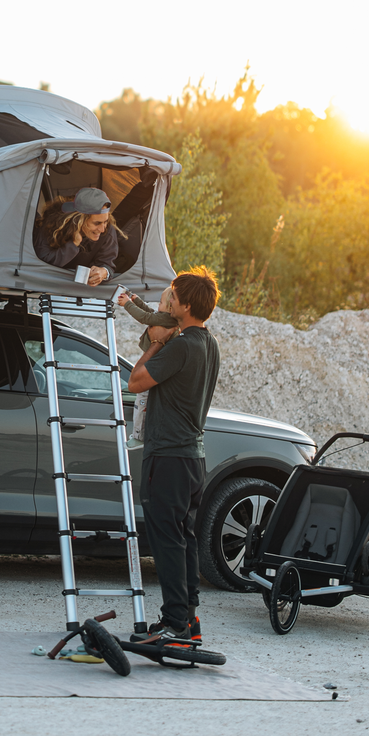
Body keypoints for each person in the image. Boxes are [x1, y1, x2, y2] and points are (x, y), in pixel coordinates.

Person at [126, 266, 221, 645]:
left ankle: (174, 623)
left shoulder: (181, 346)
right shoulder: (209, 344)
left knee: (167, 543)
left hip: (167, 456)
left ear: (185, 306)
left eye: (174, 298)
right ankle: (188, 620)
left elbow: (135, 381)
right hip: (193, 459)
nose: (169, 303)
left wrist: (155, 342)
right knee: (184, 540)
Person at [115, 286, 178, 449]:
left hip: (152, 366)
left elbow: (145, 317)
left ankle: (139, 436)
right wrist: (136, 300)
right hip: (156, 365)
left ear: (170, 307)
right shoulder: (166, 318)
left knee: (142, 400)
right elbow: (151, 313)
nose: (158, 304)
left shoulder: (167, 320)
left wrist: (127, 304)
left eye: (161, 302)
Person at [33, 187, 122, 287]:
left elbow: (107, 263)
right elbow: (42, 263)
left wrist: (103, 272)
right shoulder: (53, 225)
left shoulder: (107, 230)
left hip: (82, 288)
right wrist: (72, 244)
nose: (102, 229)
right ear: (79, 220)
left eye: (105, 221)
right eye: (97, 223)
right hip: (49, 284)